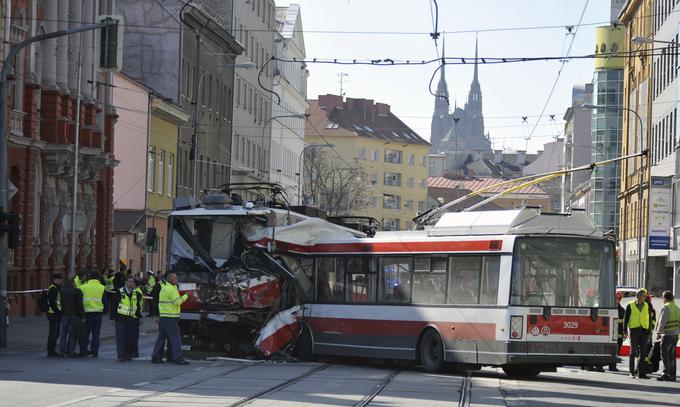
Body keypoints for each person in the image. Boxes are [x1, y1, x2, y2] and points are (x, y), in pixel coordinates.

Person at [151, 273, 189, 365]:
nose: (177, 281)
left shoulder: (164, 288)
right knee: (175, 338)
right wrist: (186, 295)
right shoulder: (172, 289)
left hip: (164, 316)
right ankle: (178, 358)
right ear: (171, 280)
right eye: (176, 279)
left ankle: (155, 357)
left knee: (161, 338)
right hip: (170, 317)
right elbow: (177, 302)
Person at [110, 275, 143, 362]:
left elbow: (137, 307)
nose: (131, 283)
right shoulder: (119, 292)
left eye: (132, 282)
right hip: (120, 318)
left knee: (129, 337)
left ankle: (127, 355)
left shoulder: (137, 294)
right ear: (125, 282)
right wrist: (111, 318)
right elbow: (114, 305)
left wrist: (139, 318)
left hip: (130, 318)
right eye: (129, 281)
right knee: (120, 336)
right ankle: (120, 355)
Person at [624, 288, 653, 379]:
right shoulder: (630, 305)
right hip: (634, 331)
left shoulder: (647, 305)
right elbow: (626, 319)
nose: (645, 297)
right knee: (633, 352)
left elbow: (649, 319)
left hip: (644, 332)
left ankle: (641, 373)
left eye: (645, 296)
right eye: (643, 296)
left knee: (644, 353)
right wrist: (625, 331)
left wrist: (649, 331)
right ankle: (631, 372)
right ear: (638, 296)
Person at [79, 271, 106, 358]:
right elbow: (105, 301)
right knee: (96, 334)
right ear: (98, 278)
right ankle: (95, 352)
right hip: (98, 313)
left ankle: (83, 351)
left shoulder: (83, 287)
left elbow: (79, 301)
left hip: (85, 314)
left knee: (85, 334)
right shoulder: (102, 287)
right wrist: (104, 311)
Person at [654, 290, 680, 382]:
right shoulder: (677, 308)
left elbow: (662, 322)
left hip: (667, 334)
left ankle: (666, 374)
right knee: (672, 355)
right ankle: (672, 375)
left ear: (665, 298)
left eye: (662, 297)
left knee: (665, 355)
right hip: (675, 335)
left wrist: (658, 333)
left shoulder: (666, 307)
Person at [59, 278, 86, 357]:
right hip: (74, 315)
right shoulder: (77, 291)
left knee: (63, 334)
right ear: (73, 283)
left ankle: (62, 351)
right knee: (73, 335)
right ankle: (71, 351)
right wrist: (83, 316)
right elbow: (80, 305)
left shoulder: (61, 290)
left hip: (64, 314)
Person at [46, 274, 63, 357]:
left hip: (53, 313)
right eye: (59, 279)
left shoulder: (55, 288)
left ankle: (52, 350)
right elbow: (52, 302)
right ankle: (51, 351)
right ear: (54, 280)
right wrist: (58, 312)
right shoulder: (53, 289)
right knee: (53, 333)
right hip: (53, 314)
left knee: (55, 333)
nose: (61, 281)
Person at [609, 291, 626, 372]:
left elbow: (624, 322)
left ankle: (613, 366)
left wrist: (625, 332)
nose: (617, 300)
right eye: (616, 299)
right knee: (609, 350)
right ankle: (601, 366)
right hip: (610, 333)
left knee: (617, 350)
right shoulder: (609, 308)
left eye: (618, 299)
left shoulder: (622, 310)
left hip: (619, 333)